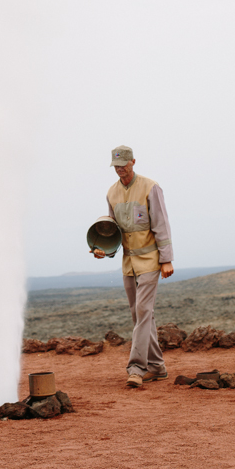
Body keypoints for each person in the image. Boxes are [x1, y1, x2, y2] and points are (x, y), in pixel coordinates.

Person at [93, 145, 174, 388]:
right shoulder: (112, 193)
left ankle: (137, 368)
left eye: (123, 165)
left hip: (150, 260)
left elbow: (161, 223)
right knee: (139, 314)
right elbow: (112, 231)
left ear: (133, 162)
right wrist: (103, 251)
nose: (120, 170)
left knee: (143, 311)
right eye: (116, 166)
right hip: (128, 263)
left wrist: (166, 258)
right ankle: (157, 366)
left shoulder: (150, 187)